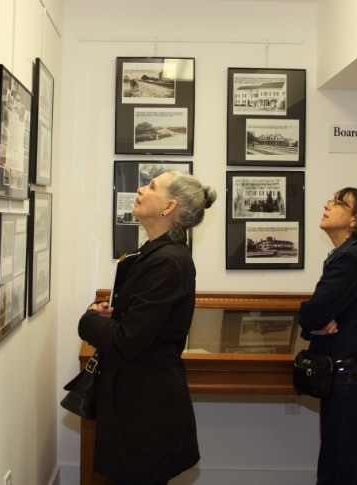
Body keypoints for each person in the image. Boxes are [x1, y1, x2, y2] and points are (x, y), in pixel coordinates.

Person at [78, 171, 217, 485]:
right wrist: (109, 318)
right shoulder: (153, 255)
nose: (140, 189)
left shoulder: (168, 262)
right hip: (134, 405)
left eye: (152, 186)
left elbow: (128, 339)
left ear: (169, 206)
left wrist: (88, 321)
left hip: (145, 414)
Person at [297, 187, 357, 485]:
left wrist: (313, 322)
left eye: (338, 203)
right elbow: (316, 317)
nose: (327, 205)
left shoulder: (352, 258)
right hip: (354, 375)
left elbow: (312, 313)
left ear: (356, 219)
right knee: (346, 466)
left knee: (339, 470)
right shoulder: (351, 256)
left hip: (352, 379)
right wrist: (315, 323)